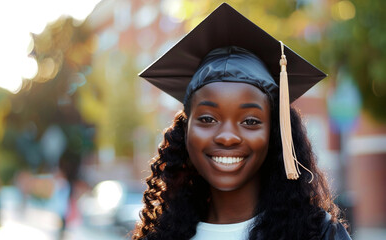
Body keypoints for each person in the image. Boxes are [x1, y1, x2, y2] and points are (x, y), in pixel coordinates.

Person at [133, 3, 351, 240]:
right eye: (207, 118)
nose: (227, 136)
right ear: (185, 132)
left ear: (274, 132)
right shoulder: (160, 237)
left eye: (250, 121)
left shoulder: (317, 235)